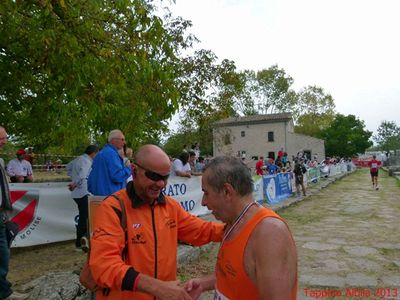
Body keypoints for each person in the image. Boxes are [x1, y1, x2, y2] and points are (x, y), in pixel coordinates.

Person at [89, 144, 224, 300]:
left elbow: (201, 230)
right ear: (134, 171)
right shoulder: (113, 208)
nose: (160, 184)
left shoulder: (170, 206)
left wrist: (235, 228)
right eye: (153, 176)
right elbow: (104, 265)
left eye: (165, 177)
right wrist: (157, 287)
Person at [184, 156, 297, 299]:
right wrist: (204, 283)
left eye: (206, 193)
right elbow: (238, 274)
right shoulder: (234, 222)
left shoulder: (269, 233)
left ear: (227, 191)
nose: (204, 202)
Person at [0, 126, 29, 300]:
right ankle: (4, 292)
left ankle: (4, 290)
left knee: (3, 252)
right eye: (2, 138)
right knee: (2, 252)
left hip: (1, 212)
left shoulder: (1, 160)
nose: (5, 141)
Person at [66, 145, 99, 249]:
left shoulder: (78, 159)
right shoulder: (87, 162)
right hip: (84, 192)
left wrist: (73, 179)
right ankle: (82, 240)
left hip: (77, 193)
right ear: (93, 153)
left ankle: (81, 240)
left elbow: (68, 168)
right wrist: (75, 183)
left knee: (84, 217)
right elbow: (83, 176)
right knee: (86, 218)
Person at [88, 129, 132, 196]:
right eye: (122, 139)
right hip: (110, 196)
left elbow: (91, 178)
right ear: (113, 140)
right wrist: (129, 168)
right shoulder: (111, 154)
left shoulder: (101, 153)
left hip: (98, 195)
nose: (124, 142)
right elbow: (117, 176)